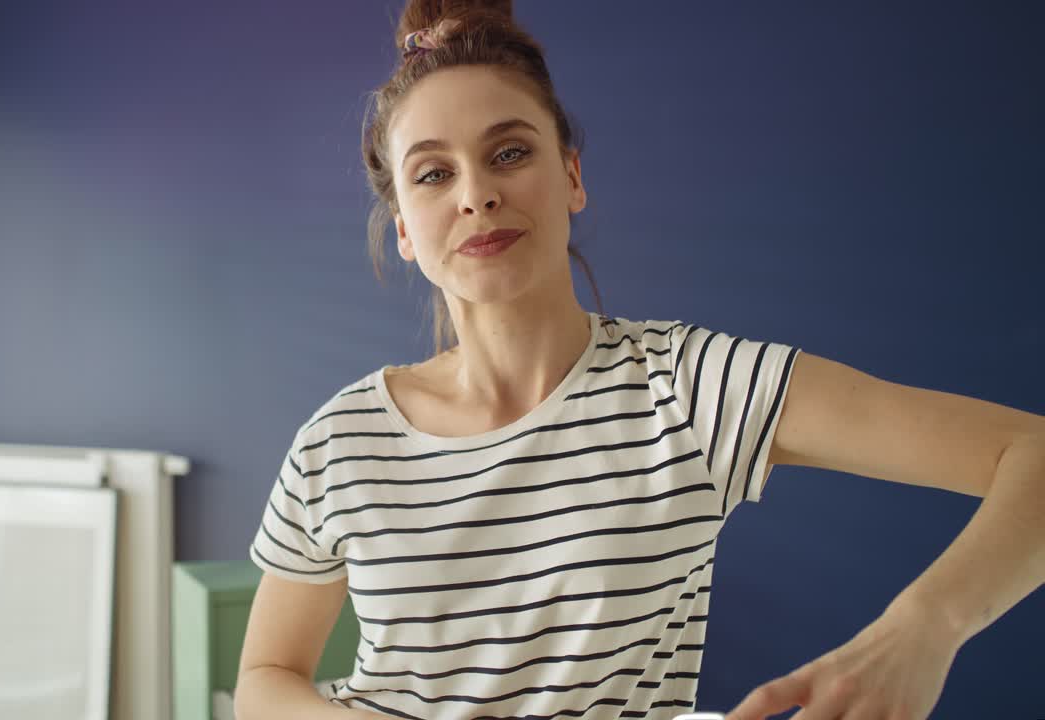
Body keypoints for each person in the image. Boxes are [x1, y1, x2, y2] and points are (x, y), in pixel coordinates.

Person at [233, 2, 1045, 719]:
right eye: (434, 173)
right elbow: (267, 677)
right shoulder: (340, 440)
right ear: (405, 228)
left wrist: (923, 629)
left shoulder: (692, 389)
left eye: (510, 153)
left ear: (572, 175)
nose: (475, 193)